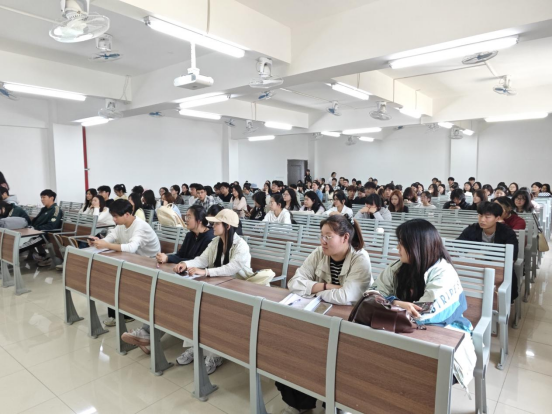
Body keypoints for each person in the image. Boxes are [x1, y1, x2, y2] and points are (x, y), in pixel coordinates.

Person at [278, 215, 373, 413]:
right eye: (321, 235)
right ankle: (300, 402)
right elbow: (294, 283)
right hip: (318, 317)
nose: (322, 241)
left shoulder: (360, 258)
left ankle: (340, 403)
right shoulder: (319, 253)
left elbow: (347, 296)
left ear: (345, 237)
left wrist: (311, 290)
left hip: (347, 324)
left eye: (328, 236)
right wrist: (326, 286)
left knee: (337, 361)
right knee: (295, 350)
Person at [371, 219, 476, 389]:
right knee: (375, 361)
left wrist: (390, 304)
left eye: (401, 243)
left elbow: (422, 314)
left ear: (417, 246)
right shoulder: (398, 267)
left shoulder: (444, 272)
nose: (397, 247)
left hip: (444, 334)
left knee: (414, 376)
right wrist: (396, 302)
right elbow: (372, 294)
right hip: (404, 331)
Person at [172, 209, 252, 374]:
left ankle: (215, 354)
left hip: (239, 290)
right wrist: (186, 264)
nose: (212, 226)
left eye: (216, 223)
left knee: (216, 313)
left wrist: (206, 272)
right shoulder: (216, 242)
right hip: (219, 286)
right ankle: (195, 347)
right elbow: (202, 259)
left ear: (227, 226)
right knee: (196, 307)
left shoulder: (241, 245)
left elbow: (231, 268)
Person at [90, 199, 161, 327]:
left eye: (116, 216)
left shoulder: (140, 226)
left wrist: (106, 245)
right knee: (111, 275)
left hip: (150, 263)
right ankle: (117, 314)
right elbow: (111, 237)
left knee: (117, 278)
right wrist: (99, 242)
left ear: (127, 214)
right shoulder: (121, 225)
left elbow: (131, 248)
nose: (114, 220)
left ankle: (125, 314)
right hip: (134, 259)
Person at [458, 202, 519, 301]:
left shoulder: (507, 233)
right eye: (480, 215)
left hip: (498, 270)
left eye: (487, 217)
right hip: (474, 268)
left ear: (497, 218)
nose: (482, 220)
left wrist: (482, 255)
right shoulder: (471, 229)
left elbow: (512, 257)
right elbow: (458, 247)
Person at [19, 190, 64, 267]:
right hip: (36, 232)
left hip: (44, 235)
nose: (42, 199)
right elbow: (35, 221)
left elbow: (51, 226)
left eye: (44, 197)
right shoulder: (44, 209)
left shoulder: (56, 210)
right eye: (41, 197)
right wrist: (31, 227)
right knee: (17, 241)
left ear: (51, 198)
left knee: (19, 247)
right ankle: (41, 255)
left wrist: (35, 229)